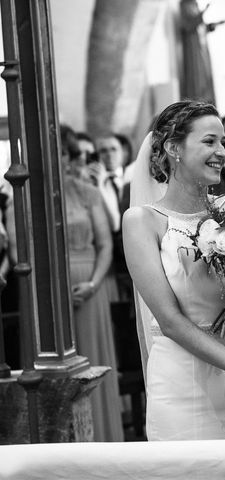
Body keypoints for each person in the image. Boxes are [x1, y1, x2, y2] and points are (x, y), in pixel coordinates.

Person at [122, 100, 225, 440]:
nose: (222, 151)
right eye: (209, 141)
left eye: (223, 142)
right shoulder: (142, 222)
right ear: (173, 147)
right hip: (182, 383)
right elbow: (171, 322)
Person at [60, 126, 124, 442]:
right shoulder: (24, 197)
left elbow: (105, 244)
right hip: (47, 293)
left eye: (62, 153)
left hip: (89, 287)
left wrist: (94, 282)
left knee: (91, 360)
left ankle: (103, 436)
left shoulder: (87, 192)